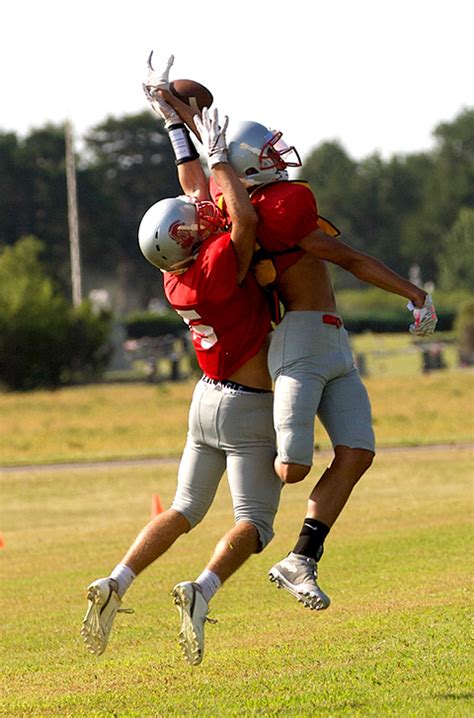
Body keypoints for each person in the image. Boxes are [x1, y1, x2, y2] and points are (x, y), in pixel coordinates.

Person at [160, 83, 438, 610]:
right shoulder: (264, 217)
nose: (276, 157)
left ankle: (301, 559)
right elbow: (351, 259)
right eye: (262, 155)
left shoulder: (245, 204)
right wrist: (413, 293)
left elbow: (203, 176)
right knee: (291, 468)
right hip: (297, 343)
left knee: (357, 452)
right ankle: (240, 471)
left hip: (333, 339)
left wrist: (179, 120)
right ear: (247, 172)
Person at [81, 100, 281, 666]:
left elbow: (195, 193)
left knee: (184, 509)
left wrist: (174, 123)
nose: (199, 216)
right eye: (191, 223)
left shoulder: (177, 277)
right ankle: (202, 589)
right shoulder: (219, 265)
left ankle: (116, 580)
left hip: (205, 402)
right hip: (247, 404)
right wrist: (221, 159)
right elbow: (242, 221)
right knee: (255, 522)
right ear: (188, 241)